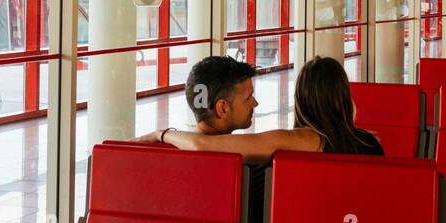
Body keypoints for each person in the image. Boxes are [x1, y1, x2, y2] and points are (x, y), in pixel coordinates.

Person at [144, 56, 383, 165]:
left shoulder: (293, 143)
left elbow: (201, 145)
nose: (256, 103)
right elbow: (202, 146)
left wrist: (161, 134)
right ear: (222, 108)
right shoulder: (368, 144)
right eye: (249, 97)